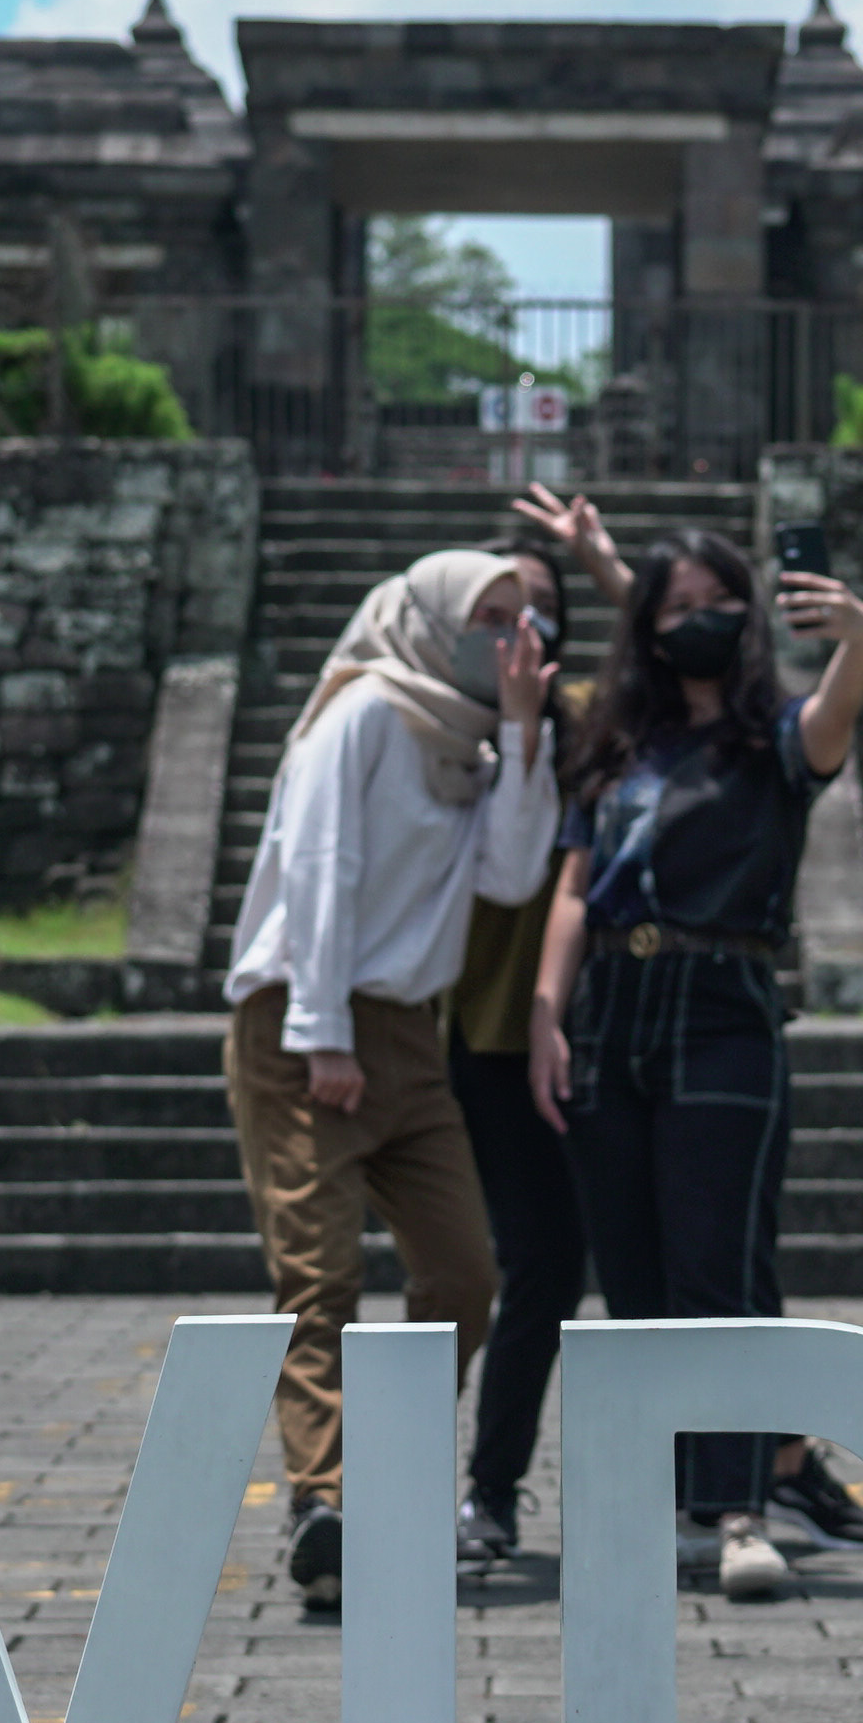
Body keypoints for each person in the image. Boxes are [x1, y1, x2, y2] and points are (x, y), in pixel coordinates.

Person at [529, 526, 863, 1600]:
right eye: (676, 602)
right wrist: (546, 1013)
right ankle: (658, 1506)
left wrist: (859, 636)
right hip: (610, 1009)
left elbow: (833, 721)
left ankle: (737, 1509)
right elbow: (569, 889)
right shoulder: (612, 744)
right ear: (647, 624)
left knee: (714, 1270)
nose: (699, 618)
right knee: (631, 1280)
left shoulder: (772, 740)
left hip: (723, 1004)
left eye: (717, 601)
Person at [220, 546, 559, 1616]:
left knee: (462, 1273)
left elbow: (509, 874)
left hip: (411, 1038)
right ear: (425, 616)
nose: (503, 634)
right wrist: (322, 1034)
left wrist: (518, 728)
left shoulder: (471, 746)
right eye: (485, 614)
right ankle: (324, 1501)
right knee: (316, 1277)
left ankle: (385, 1478)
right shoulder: (362, 711)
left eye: (519, 618)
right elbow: (321, 869)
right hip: (302, 1019)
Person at [437, 486, 620, 1571]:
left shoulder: (598, 721)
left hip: (604, 1038)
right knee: (527, 1260)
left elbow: (681, 656)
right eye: (501, 612)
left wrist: (597, 559)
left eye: (544, 610)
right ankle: (484, 1488)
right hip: (488, 1040)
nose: (524, 631)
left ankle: (716, 1488)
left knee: (606, 1264)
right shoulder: (440, 730)